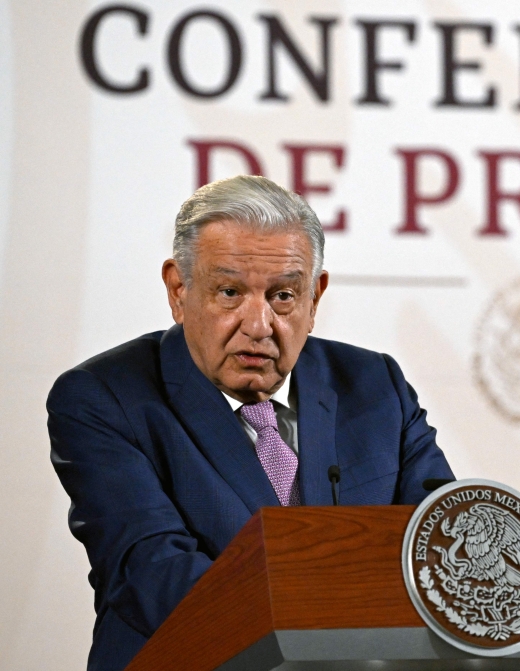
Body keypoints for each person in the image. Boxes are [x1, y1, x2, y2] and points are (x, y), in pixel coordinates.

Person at [47, 175, 454, 671]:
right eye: (229, 292)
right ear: (179, 290)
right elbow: (155, 575)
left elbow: (444, 547)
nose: (258, 325)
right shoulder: (104, 398)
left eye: (283, 296)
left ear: (315, 297)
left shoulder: (375, 386)